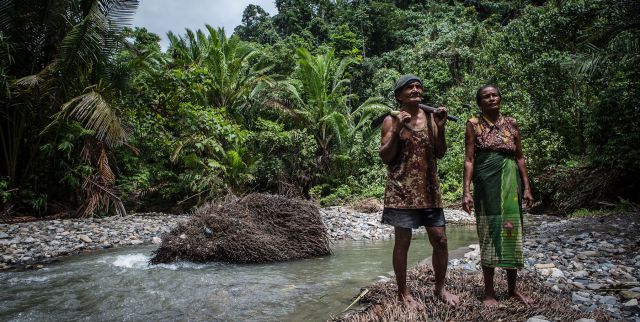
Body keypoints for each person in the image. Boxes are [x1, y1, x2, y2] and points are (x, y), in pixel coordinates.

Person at [379, 74, 460, 308]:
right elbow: (385, 157)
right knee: (402, 242)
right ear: (399, 96)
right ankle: (403, 294)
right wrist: (396, 130)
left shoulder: (432, 118)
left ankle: (440, 289)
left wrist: (441, 129)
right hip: (401, 191)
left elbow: (440, 153)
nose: (416, 90)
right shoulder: (390, 120)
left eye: (418, 86)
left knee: (441, 239)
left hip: (429, 191)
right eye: (409, 87)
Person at [462, 84, 534, 306]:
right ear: (480, 102)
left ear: (500, 98)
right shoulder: (474, 125)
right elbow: (469, 159)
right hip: (486, 185)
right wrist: (466, 191)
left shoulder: (511, 123)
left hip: (511, 184)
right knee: (489, 231)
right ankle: (489, 292)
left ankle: (513, 289)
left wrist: (527, 187)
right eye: (486, 96)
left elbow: (520, 157)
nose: (491, 98)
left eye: (494, 95)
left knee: (512, 231)